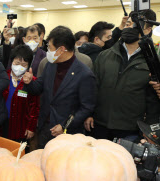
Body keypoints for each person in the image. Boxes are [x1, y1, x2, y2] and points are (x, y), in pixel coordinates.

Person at [84, 9, 160, 142]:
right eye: (127, 24)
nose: (128, 27)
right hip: (99, 125)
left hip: (130, 130)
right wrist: (88, 113)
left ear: (147, 30)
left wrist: (149, 131)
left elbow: (153, 101)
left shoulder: (152, 62)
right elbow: (92, 88)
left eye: (133, 25)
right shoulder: (105, 56)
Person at [23, 26, 97, 148]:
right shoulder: (50, 65)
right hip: (45, 127)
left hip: (67, 134)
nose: (48, 51)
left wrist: (64, 126)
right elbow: (38, 88)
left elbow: (86, 108)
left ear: (61, 49)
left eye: (50, 48)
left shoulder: (84, 74)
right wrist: (29, 82)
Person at [2, 45, 39, 147]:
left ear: (28, 66)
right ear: (12, 62)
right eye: (17, 63)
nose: (19, 67)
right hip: (2, 123)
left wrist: (31, 127)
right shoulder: (3, 76)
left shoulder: (32, 81)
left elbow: (35, 107)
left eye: (23, 64)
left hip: (21, 126)